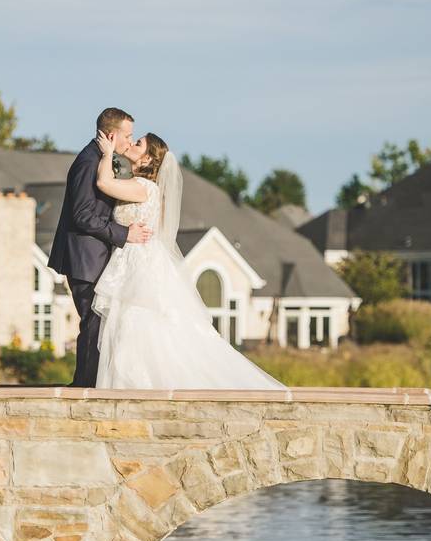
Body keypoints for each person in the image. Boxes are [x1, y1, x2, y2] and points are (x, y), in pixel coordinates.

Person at [91, 131, 286, 390]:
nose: (133, 143)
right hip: (133, 260)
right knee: (132, 327)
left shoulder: (144, 187)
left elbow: (104, 184)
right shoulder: (142, 186)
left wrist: (106, 154)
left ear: (148, 160)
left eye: (139, 144)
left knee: (135, 324)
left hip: (138, 264)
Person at [48, 108, 152, 387]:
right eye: (127, 136)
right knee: (93, 323)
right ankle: (84, 387)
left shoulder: (101, 159)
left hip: (94, 257)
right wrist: (123, 234)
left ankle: (89, 384)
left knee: (98, 323)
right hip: (85, 258)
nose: (129, 142)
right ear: (111, 134)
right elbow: (82, 215)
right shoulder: (87, 162)